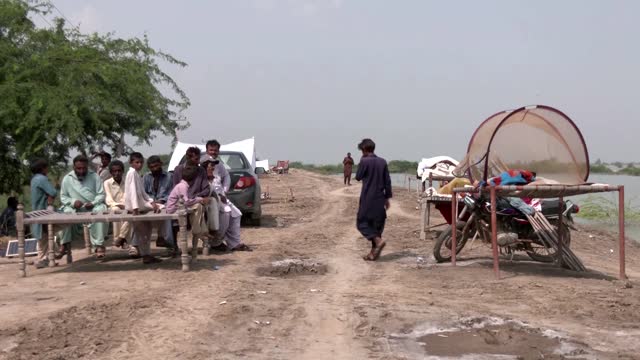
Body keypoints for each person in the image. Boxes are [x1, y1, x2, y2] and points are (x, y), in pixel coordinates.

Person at [58, 155, 109, 259]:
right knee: (65, 212)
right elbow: (63, 197)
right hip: (75, 209)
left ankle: (99, 245)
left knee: (101, 210)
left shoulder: (95, 176)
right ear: (74, 167)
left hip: (92, 208)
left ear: (87, 167)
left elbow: (101, 194)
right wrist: (73, 202)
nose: (81, 171)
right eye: (78, 168)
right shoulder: (67, 179)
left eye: (84, 168)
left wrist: (93, 202)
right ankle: (64, 244)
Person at [201, 154, 252, 252]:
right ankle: (216, 242)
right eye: (210, 165)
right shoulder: (201, 177)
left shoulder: (215, 173)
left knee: (236, 214)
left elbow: (226, 178)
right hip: (210, 202)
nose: (212, 166)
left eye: (213, 165)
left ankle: (234, 243)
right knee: (226, 212)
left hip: (220, 199)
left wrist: (223, 192)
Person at [355, 138, 392, 261]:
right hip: (380, 198)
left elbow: (358, 177)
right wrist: (387, 198)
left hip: (367, 198)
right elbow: (388, 182)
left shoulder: (364, 161)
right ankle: (372, 253)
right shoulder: (383, 162)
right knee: (376, 226)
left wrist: (361, 162)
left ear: (364, 149)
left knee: (362, 223)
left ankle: (378, 241)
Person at [124, 152, 162, 264]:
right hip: (136, 207)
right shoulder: (131, 173)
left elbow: (143, 193)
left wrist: (151, 202)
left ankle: (147, 254)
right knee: (143, 232)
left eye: (141, 162)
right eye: (136, 162)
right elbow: (132, 192)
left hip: (141, 204)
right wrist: (135, 208)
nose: (139, 164)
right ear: (131, 163)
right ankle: (146, 255)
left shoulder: (137, 174)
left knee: (147, 230)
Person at [29, 159, 57, 268]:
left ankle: (46, 256)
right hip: (43, 211)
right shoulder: (42, 179)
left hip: (36, 210)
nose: (48, 170)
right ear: (42, 169)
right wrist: (50, 198)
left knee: (42, 237)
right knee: (46, 234)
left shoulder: (34, 179)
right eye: (46, 168)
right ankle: (45, 259)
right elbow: (53, 192)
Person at [166, 165, 208, 238]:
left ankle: (201, 230)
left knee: (199, 207)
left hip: (178, 207)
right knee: (197, 207)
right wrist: (200, 199)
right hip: (173, 209)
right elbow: (187, 202)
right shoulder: (183, 186)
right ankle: (198, 231)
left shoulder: (182, 185)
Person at [143, 155, 175, 252]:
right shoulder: (146, 177)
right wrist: (152, 201)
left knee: (167, 214)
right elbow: (144, 193)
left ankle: (168, 242)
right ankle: (137, 246)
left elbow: (172, 193)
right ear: (149, 167)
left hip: (164, 203)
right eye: (152, 167)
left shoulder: (169, 177)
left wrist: (162, 200)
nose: (155, 169)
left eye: (156, 166)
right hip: (150, 203)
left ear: (161, 164)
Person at [104, 160, 131, 248]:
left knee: (130, 213)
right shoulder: (107, 183)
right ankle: (121, 239)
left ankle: (120, 237)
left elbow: (128, 196)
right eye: (114, 171)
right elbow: (108, 198)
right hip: (113, 206)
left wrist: (124, 205)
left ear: (123, 171)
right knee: (116, 210)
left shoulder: (127, 181)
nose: (117, 173)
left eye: (119, 171)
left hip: (126, 206)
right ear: (111, 172)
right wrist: (116, 204)